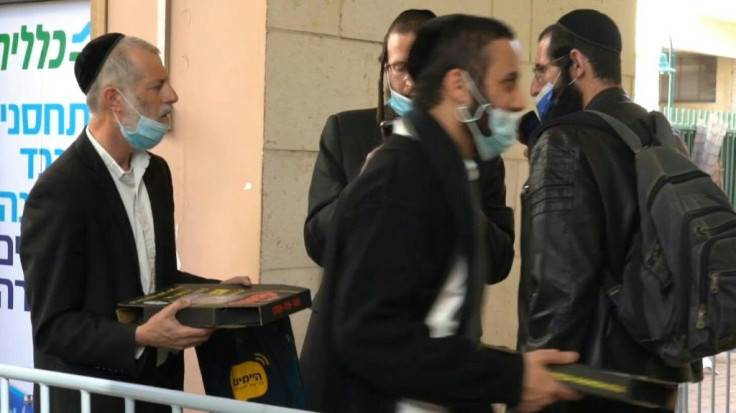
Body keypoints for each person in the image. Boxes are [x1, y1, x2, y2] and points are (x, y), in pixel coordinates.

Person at [300, 14, 579, 413]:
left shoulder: (450, 167)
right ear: (459, 85)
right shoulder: (398, 175)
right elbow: (371, 336)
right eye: (506, 83)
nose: (519, 101)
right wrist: (509, 377)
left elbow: (440, 320)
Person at [20, 33, 248, 413]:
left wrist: (217, 292)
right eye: (158, 86)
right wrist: (139, 336)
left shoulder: (156, 172)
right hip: (97, 401)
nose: (172, 96)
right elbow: (54, 327)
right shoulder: (60, 192)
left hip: (158, 393)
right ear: (114, 100)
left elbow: (155, 282)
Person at [517, 10, 700, 412]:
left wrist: (533, 383)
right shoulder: (659, 133)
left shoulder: (563, 141)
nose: (533, 87)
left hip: (587, 380)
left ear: (576, 64)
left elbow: (561, 284)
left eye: (542, 71)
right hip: (658, 376)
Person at [303, 9, 515, 281]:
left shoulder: (480, 147)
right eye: (401, 67)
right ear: (386, 69)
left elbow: (498, 266)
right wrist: (361, 188)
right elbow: (317, 245)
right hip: (356, 319)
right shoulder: (346, 132)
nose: (413, 81)